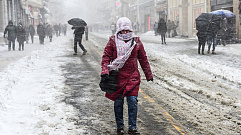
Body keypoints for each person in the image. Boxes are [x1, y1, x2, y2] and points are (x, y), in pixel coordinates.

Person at [100, 17, 153, 135]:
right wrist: (105, 71)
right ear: (118, 30)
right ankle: (120, 127)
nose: (125, 33)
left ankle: (132, 127)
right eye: (123, 31)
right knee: (118, 102)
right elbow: (106, 57)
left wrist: (148, 74)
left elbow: (143, 59)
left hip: (132, 76)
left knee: (132, 101)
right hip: (117, 76)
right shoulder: (113, 41)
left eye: (127, 30)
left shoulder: (136, 42)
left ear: (131, 30)